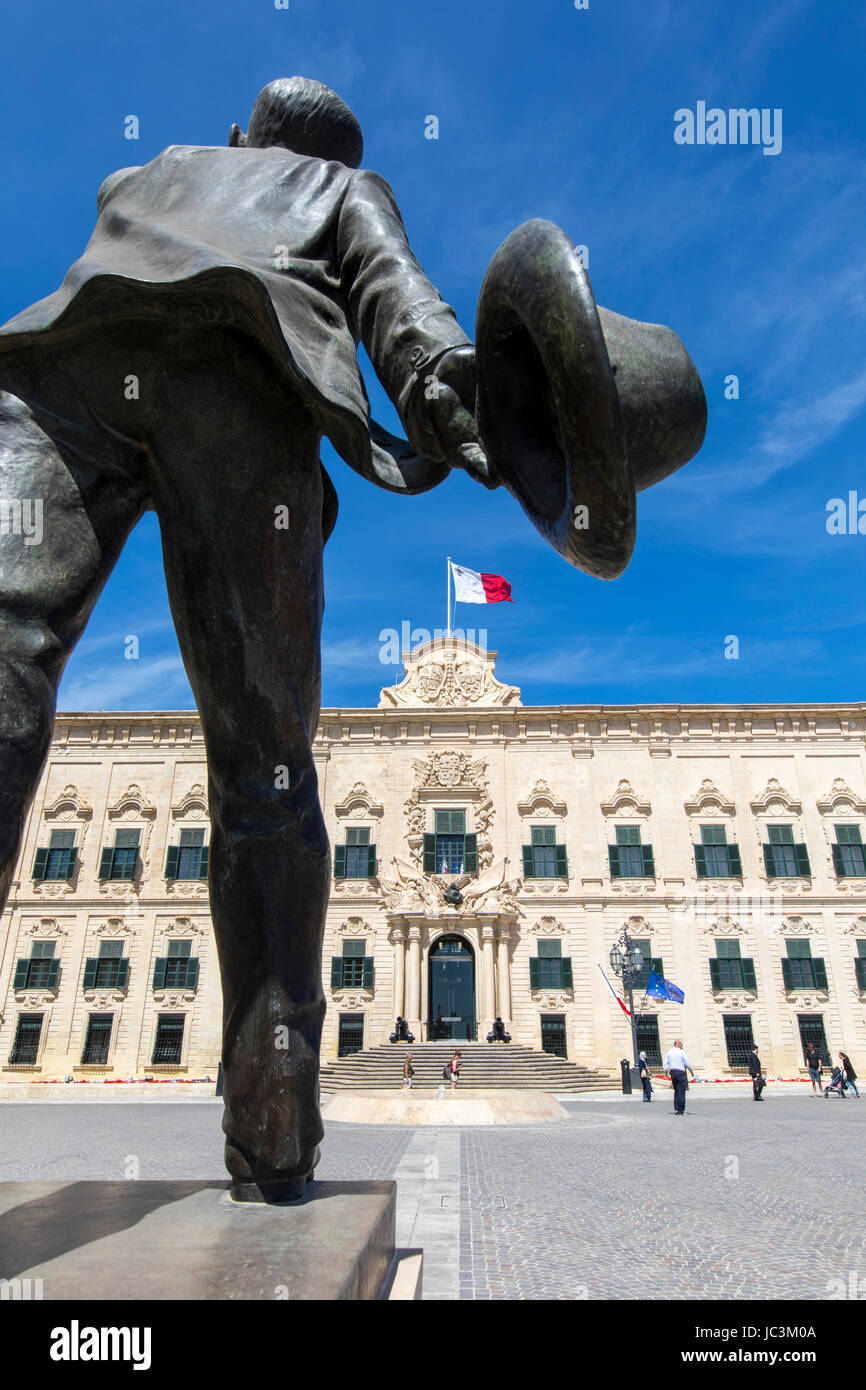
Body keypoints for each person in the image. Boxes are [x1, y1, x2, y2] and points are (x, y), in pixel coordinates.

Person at [0, 78, 490, 1204]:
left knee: (7, 658)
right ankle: (273, 1128)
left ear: (237, 135)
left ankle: (272, 1124)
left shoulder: (144, 171)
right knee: (265, 774)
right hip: (234, 372)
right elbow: (393, 297)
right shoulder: (341, 187)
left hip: (57, 372)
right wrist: (438, 382)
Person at [663, 1038, 696, 1115]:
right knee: (681, 1091)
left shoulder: (669, 1052)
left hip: (673, 1072)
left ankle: (676, 1108)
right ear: (677, 1044)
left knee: (676, 1090)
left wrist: (666, 1071)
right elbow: (687, 1063)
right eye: (681, 1044)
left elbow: (665, 1063)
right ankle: (681, 1110)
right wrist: (691, 1071)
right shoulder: (681, 1052)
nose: (682, 1046)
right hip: (680, 1072)